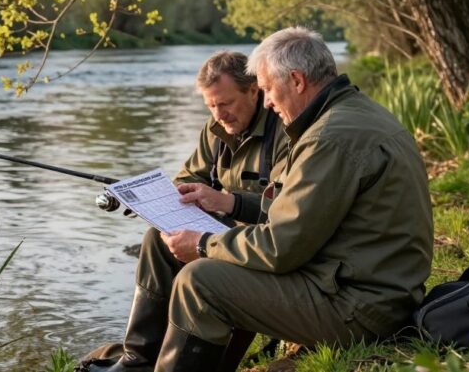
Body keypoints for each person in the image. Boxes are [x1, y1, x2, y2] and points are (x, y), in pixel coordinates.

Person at [149, 27, 434, 372]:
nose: (267, 101)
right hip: (380, 291)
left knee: (199, 283)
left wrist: (205, 244)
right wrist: (232, 207)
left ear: (297, 80)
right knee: (215, 265)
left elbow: (280, 248)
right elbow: (294, 214)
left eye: (268, 89)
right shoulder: (355, 113)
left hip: (361, 309)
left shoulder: (327, 138)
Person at [83, 50, 287, 372]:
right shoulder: (216, 129)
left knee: (195, 269)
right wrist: (157, 201)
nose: (219, 114)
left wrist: (227, 201)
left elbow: (289, 211)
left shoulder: (284, 131)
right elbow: (188, 178)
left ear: (253, 90)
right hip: (219, 232)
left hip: (260, 243)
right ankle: (138, 360)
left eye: (225, 103)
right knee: (156, 237)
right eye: (211, 106)